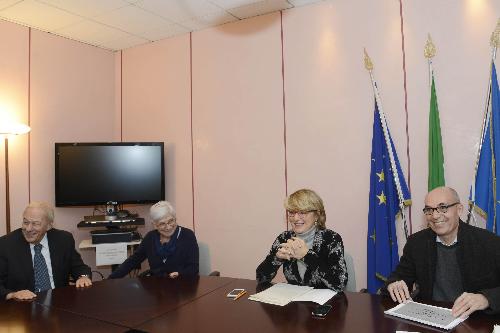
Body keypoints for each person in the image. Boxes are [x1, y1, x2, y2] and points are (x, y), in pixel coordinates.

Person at [385, 186, 500, 317]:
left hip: (475, 321)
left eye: (443, 208)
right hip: (430, 318)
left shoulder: (489, 243)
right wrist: (394, 284)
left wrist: (486, 298)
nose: (434, 215)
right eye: (429, 210)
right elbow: (399, 277)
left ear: (459, 210)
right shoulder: (416, 243)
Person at [256, 189, 347, 291]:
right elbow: (261, 278)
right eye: (292, 212)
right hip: (294, 302)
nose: (295, 218)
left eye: (302, 212)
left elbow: (340, 283)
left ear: (317, 214)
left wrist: (307, 256)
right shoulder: (284, 238)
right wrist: (276, 258)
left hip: (325, 304)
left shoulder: (331, 239)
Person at [0, 202, 92, 301]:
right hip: (22, 307)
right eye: (25, 222)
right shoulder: (6, 244)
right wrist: (13, 294)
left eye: (35, 223)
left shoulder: (63, 239)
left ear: (49, 226)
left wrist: (83, 277)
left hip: (59, 302)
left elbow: (78, 267)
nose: (28, 228)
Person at [109, 201, 199, 279]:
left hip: (183, 288)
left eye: (171, 221)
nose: (168, 227)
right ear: (154, 225)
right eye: (162, 224)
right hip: (158, 291)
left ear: (175, 218)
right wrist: (109, 280)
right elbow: (133, 261)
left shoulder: (187, 236)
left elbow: (193, 268)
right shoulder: (150, 238)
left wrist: (180, 274)